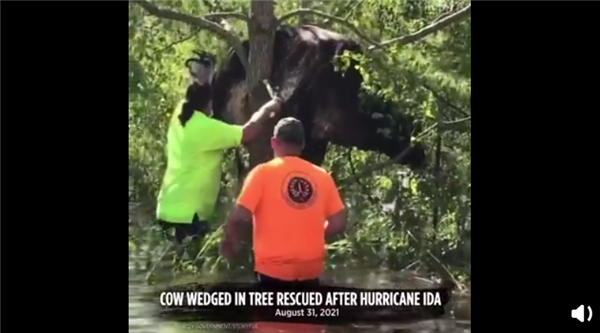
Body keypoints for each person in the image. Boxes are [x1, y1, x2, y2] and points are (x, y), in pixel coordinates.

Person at [156, 53, 283, 256]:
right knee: (191, 270)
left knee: (176, 267)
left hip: (168, 208)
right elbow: (248, 132)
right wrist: (270, 106)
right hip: (189, 215)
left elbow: (195, 92)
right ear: (209, 104)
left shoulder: (181, 113)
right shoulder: (205, 127)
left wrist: (208, 74)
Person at [220, 117, 348, 286]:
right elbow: (339, 222)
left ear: (274, 142)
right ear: (302, 145)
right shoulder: (322, 176)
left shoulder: (262, 173)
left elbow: (239, 217)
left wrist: (230, 241)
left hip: (272, 271)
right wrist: (315, 233)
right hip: (310, 270)